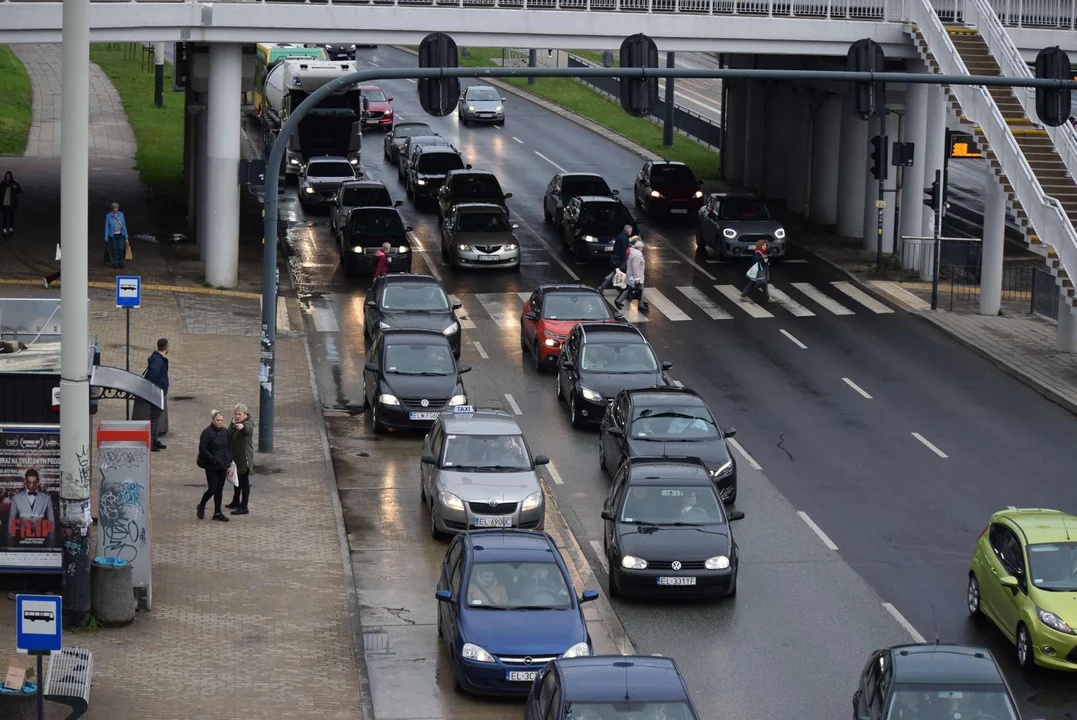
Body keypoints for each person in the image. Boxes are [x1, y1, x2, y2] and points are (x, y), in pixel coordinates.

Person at [197, 409, 232, 522]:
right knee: (212, 488)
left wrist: (229, 458)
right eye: (218, 420)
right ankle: (201, 505)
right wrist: (213, 459)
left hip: (222, 464)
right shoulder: (207, 432)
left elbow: (228, 446)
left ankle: (217, 512)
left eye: (221, 420)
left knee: (219, 489)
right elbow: (202, 449)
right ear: (213, 420)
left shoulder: (224, 432)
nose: (220, 422)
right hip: (211, 465)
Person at [7, 469, 55, 547]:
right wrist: (10, 547)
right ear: (25, 482)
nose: (32, 485)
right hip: (21, 542)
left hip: (41, 542)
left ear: (38, 481)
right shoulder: (16, 499)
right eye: (29, 482)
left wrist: (51, 547)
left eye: (34, 482)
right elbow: (11, 525)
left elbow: (51, 526)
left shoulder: (47, 499)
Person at [225, 403, 254, 515]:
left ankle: (244, 506)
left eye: (240, 414)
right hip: (235, 456)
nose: (237, 416)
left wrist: (243, 426)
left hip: (244, 457)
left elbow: (248, 429)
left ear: (245, 414)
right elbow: (229, 434)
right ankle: (236, 501)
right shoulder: (234, 422)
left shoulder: (248, 423)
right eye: (236, 414)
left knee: (244, 481)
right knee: (236, 479)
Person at [144, 338, 170, 451]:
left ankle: (154, 439)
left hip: (157, 392)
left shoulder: (156, 359)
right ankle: (152, 441)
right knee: (154, 418)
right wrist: (157, 389)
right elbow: (153, 376)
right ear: (166, 347)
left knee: (156, 417)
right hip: (156, 393)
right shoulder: (158, 361)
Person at [614, 239, 648, 311]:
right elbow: (635, 267)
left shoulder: (632, 253)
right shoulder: (637, 255)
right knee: (640, 290)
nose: (642, 249)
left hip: (631, 275)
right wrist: (637, 278)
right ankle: (640, 305)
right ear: (639, 247)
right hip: (636, 276)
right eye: (642, 248)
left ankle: (618, 301)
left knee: (630, 289)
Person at [598, 224, 633, 290]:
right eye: (631, 231)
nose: (631, 232)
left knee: (616, 273)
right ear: (628, 231)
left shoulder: (621, 236)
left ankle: (603, 287)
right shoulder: (624, 238)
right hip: (618, 259)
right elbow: (623, 251)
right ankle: (626, 290)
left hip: (616, 258)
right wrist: (624, 262)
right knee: (620, 273)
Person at [740, 239, 771, 303]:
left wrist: (766, 262)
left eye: (765, 245)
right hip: (759, 272)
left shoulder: (762, 253)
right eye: (763, 245)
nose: (765, 246)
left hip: (760, 271)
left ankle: (743, 296)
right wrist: (764, 261)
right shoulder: (758, 253)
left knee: (757, 284)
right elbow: (755, 260)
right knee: (762, 284)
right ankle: (768, 298)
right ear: (760, 246)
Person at [104, 201, 129, 269]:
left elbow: (124, 225)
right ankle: (115, 263)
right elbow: (106, 226)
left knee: (121, 248)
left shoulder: (121, 214)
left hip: (121, 234)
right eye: (114, 208)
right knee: (114, 249)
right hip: (112, 235)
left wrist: (126, 237)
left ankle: (120, 262)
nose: (115, 209)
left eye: (116, 207)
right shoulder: (108, 216)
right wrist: (106, 237)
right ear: (112, 208)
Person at [0, 171, 21, 237]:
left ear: (11, 176)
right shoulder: (3, 183)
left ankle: (11, 230)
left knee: (11, 217)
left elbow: (19, 190)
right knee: (4, 218)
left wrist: (16, 187)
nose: (7, 177)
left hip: (12, 203)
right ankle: (4, 231)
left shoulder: (13, 183)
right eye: (6, 175)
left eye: (8, 175)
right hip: (4, 203)